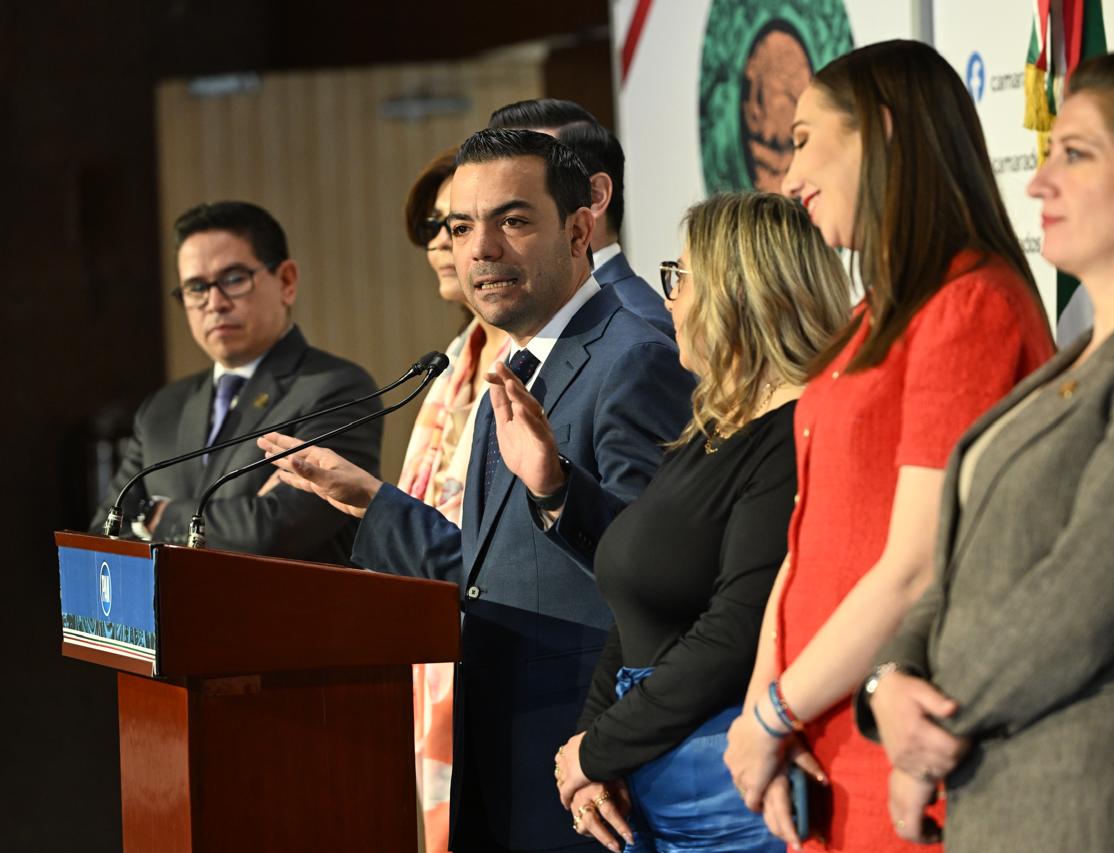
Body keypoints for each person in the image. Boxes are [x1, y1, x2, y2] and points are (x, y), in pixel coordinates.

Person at [862, 49, 1114, 852]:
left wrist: (925, 724)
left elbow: (1081, 602)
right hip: (1013, 793)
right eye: (1048, 153)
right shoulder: (1082, 357)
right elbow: (962, 570)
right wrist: (891, 679)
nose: (1038, 183)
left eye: (1076, 154)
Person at [258, 129, 694, 852]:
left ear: (579, 230)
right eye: (461, 228)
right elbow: (491, 572)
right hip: (499, 751)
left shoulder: (634, 357)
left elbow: (656, 578)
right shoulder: (516, 364)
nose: (481, 249)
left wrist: (556, 488)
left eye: (512, 221)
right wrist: (372, 502)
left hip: (588, 770)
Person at [721, 40, 1056, 852]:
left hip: (898, 752)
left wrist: (774, 712)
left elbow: (915, 565)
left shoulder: (970, 304)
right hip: (820, 741)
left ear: (881, 130)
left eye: (805, 140)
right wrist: (766, 706)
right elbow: (807, 542)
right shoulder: (870, 319)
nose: (788, 176)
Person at [543, 193, 850, 852]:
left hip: (725, 796)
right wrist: (591, 753)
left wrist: (598, 749)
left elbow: (734, 634)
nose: (671, 301)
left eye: (679, 277)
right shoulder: (710, 429)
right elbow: (632, 605)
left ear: (738, 294)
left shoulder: (797, 435)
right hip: (653, 777)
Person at [90, 200, 380, 565]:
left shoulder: (337, 389)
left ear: (286, 281)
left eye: (233, 280)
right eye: (196, 287)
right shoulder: (162, 409)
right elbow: (105, 534)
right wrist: (239, 513)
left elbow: (272, 532)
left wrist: (159, 515)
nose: (214, 303)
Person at [399, 144, 510, 853]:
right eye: (437, 228)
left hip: (503, 654)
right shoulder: (450, 363)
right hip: (434, 653)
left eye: (458, 225)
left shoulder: (530, 358)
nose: (442, 243)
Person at [489, 98, 673, 338]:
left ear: (595, 195)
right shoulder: (530, 315)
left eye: (515, 215)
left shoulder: (640, 327)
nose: (484, 246)